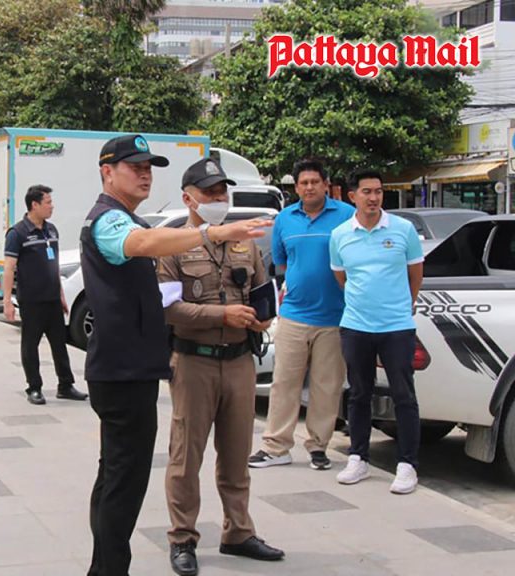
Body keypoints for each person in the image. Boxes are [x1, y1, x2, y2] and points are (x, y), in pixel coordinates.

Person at [81, 134, 272, 576]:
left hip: (135, 368)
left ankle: (104, 567)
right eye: (135, 167)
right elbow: (143, 245)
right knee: (124, 484)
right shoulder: (108, 220)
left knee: (115, 478)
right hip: (124, 370)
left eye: (149, 167)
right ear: (107, 172)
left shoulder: (127, 218)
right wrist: (211, 232)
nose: (145, 174)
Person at [158, 157, 285, 576]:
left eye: (222, 192)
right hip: (193, 362)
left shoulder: (245, 244)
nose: (218, 200)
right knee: (185, 457)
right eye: (210, 193)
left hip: (239, 361)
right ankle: (182, 538)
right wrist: (222, 315)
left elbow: (262, 292)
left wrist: (263, 317)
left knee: (236, 455)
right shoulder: (171, 245)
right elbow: (169, 309)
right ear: (188, 199)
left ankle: (238, 532)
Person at [249, 160, 354, 471]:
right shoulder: (284, 219)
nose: (309, 187)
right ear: (296, 187)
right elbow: (282, 264)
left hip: (335, 317)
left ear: (326, 184)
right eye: (303, 183)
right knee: (284, 383)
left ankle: (318, 447)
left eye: (314, 182)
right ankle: (276, 447)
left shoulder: (346, 216)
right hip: (294, 314)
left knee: (327, 386)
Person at [329, 168, 424, 495]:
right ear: (352, 196)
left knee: (403, 395)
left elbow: (415, 274)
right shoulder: (340, 235)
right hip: (356, 326)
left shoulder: (403, 230)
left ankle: (407, 464)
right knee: (358, 393)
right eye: (367, 192)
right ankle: (358, 457)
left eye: (378, 191)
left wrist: (403, 304)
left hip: (397, 327)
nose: (373, 198)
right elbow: (342, 278)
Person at [3, 184, 87, 405]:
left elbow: (54, 265)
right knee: (30, 345)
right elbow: (9, 268)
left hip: (52, 299)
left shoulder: (51, 230)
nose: (52, 206)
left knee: (59, 344)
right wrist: (7, 302)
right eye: (48, 202)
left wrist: (61, 295)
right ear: (35, 205)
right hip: (31, 300)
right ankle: (34, 387)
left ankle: (65, 385)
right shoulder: (17, 233)